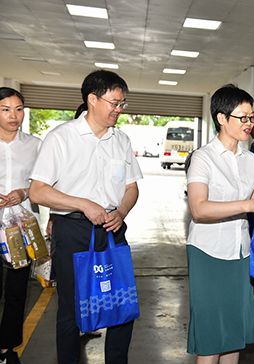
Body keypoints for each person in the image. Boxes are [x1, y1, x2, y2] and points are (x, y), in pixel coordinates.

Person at [29, 70, 142, 364]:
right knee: (72, 309)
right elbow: (37, 192)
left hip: (113, 229)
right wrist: (81, 204)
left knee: (122, 302)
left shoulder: (122, 140)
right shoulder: (61, 138)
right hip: (73, 232)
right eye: (114, 103)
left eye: (122, 104)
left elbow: (131, 187)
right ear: (92, 99)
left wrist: (122, 211)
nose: (119, 109)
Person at [186, 84, 254, 364]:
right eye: (243, 117)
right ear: (222, 118)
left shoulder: (250, 160)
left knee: (234, 334)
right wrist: (248, 205)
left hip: (240, 253)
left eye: (252, 118)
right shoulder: (203, 158)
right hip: (208, 252)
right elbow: (199, 208)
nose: (250, 124)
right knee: (212, 337)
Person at [0, 87, 42, 364]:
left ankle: (7, 348)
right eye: (5, 109)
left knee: (16, 292)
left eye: (18, 109)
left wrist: (23, 193)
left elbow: (42, 183)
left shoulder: (35, 145)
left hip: (21, 228)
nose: (13, 116)